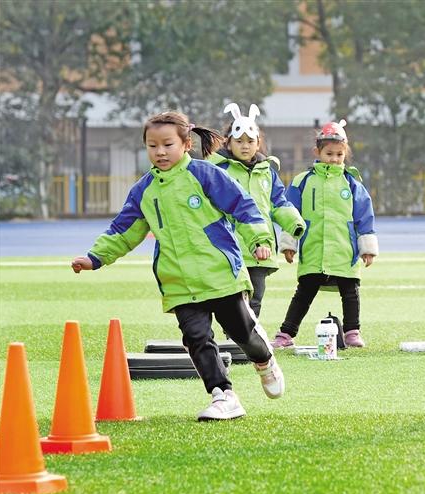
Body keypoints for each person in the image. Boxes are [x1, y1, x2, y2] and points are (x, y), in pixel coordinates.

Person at [70, 111, 286, 421]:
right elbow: (123, 231)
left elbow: (243, 207)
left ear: (186, 144)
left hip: (221, 274)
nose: (160, 152)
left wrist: (259, 240)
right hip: (179, 283)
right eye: (152, 146)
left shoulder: (205, 174)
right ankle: (223, 395)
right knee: (197, 338)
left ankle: (264, 361)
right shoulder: (144, 190)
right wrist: (95, 258)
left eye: (167, 144)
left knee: (241, 333)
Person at [271, 119, 378, 348]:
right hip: (313, 250)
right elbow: (291, 213)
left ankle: (352, 331)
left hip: (344, 251)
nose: (334, 159)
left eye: (339, 154)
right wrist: (289, 244)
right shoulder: (302, 181)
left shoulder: (352, 184)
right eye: (329, 153)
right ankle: (286, 334)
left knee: (350, 293)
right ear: (317, 152)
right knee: (303, 293)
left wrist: (367, 248)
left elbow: (364, 217)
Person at [207, 102, 306, 318]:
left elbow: (278, 203)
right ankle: (234, 335)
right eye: (239, 141)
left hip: (261, 249)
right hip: (228, 247)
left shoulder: (267, 172)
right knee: (231, 299)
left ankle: (250, 335)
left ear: (258, 143)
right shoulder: (218, 170)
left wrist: (294, 223)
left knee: (256, 298)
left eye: (250, 141)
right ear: (228, 142)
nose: (245, 146)